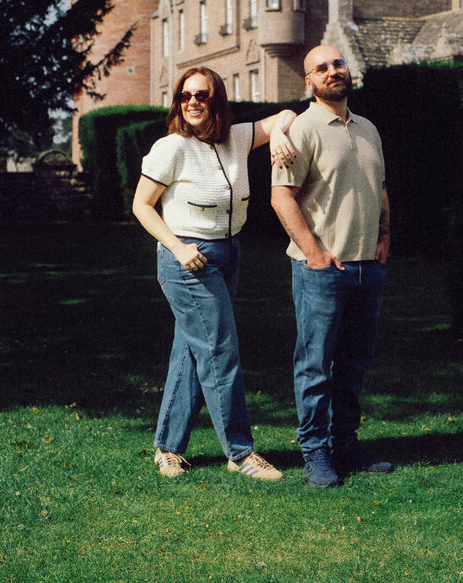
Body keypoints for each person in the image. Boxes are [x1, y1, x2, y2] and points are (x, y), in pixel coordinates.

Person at [133, 65, 297, 481]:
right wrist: (178, 247)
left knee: (193, 350)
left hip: (228, 255)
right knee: (220, 350)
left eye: (201, 95)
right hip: (188, 260)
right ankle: (240, 452)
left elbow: (286, 114)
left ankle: (167, 449)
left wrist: (279, 133)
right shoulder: (171, 147)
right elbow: (141, 205)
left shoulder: (237, 138)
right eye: (185, 96)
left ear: (216, 100)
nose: (192, 102)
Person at [270, 45, 392, 488]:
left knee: (354, 364)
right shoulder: (301, 129)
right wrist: (314, 253)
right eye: (320, 68)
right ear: (309, 82)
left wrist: (384, 236)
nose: (332, 71)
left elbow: (379, 188)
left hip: (367, 268)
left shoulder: (368, 128)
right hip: (321, 271)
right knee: (316, 366)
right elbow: (281, 196)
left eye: (337, 64)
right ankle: (315, 452)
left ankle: (346, 444)